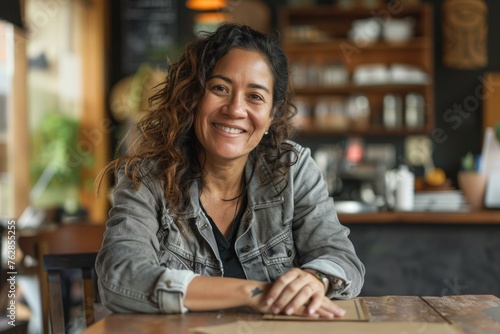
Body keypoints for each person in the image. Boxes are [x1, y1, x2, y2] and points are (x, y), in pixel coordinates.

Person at [95, 23, 365, 318]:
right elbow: (119, 277)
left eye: (255, 96)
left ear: (271, 115)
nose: (235, 109)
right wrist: (252, 292)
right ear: (193, 98)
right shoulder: (147, 179)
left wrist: (317, 279)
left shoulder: (292, 170)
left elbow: (342, 259)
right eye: (220, 88)